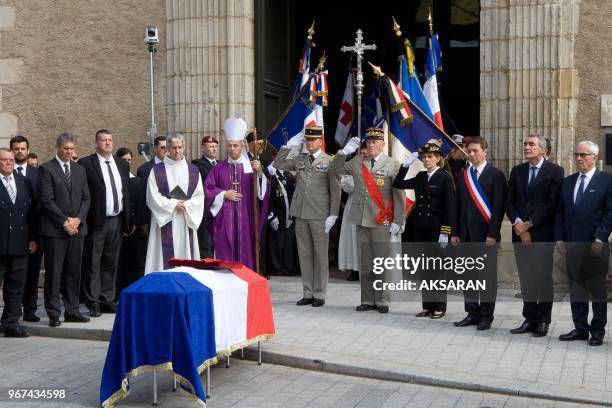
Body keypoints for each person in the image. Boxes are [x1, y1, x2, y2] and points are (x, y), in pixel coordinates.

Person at [329, 128, 406, 313]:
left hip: (381, 220)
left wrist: (398, 220)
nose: (371, 145)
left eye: (375, 143)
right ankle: (367, 299)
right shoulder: (357, 161)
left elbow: (399, 194)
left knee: (381, 262)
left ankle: (382, 300)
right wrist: (343, 153)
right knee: (365, 262)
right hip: (362, 218)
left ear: (382, 145)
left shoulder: (392, 164)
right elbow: (334, 169)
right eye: (369, 143)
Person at [273, 126, 341, 307]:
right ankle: (307, 292)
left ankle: (320, 293)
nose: (309, 143)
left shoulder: (329, 161)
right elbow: (278, 164)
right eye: (307, 140)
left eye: (313, 140)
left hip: (320, 214)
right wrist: (287, 146)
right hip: (301, 211)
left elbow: (336, 190)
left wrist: (333, 214)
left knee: (320, 254)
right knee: (304, 254)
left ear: (320, 141)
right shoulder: (300, 159)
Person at [555, 141, 612, 346]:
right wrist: (559, 238)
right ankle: (580, 328)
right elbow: (560, 212)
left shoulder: (606, 181)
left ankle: (597, 331)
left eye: (584, 155)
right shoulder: (568, 181)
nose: (579, 158)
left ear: (594, 157)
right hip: (571, 244)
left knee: (597, 291)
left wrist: (600, 237)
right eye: (576, 154)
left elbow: (609, 213)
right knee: (577, 289)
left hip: (595, 245)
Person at [506, 134, 564, 337]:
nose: (527, 147)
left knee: (542, 278)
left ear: (543, 150)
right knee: (526, 278)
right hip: (519, 232)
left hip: (541, 233)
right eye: (525, 144)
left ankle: (543, 320)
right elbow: (509, 202)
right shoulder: (517, 171)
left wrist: (528, 226)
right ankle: (529, 318)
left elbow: (551, 204)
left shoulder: (555, 172)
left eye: (532, 144)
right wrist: (519, 225)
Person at [393, 142, 457, 319]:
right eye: (424, 157)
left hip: (437, 228)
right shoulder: (421, 176)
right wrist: (405, 166)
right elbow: (398, 184)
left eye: (430, 157)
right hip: (420, 227)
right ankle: (427, 306)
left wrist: (445, 231)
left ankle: (439, 307)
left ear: (438, 159)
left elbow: (449, 207)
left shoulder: (444, 178)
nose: (426, 160)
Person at [451, 136, 507, 331]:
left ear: (485, 151)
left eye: (476, 151)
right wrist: (455, 232)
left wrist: (493, 233)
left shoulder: (496, 175)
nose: (472, 154)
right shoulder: (462, 175)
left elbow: (499, 208)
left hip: (486, 236)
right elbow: (457, 206)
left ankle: (486, 315)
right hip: (465, 235)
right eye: (469, 151)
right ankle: (472, 312)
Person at [204, 117, 270, 271]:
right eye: (229, 146)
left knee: (245, 258)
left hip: (246, 223)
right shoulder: (218, 168)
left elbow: (262, 194)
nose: (232, 149)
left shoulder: (250, 168)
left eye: (235, 145)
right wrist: (223, 194)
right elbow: (208, 190)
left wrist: (259, 172)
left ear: (242, 146)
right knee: (224, 259)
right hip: (223, 223)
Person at [39, 132, 91, 327]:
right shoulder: (46, 169)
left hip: (77, 230)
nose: (69, 152)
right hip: (55, 231)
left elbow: (86, 198)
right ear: (58, 148)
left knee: (73, 272)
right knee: (54, 272)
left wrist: (77, 220)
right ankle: (53, 313)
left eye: (71, 148)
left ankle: (72, 310)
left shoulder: (79, 170)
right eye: (65, 148)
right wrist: (65, 222)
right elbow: (47, 200)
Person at [79, 130, 131, 316]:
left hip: (116, 220)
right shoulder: (86, 164)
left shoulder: (121, 164)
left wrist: (128, 220)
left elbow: (126, 192)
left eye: (110, 140)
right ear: (96, 144)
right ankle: (92, 301)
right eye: (103, 140)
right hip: (96, 221)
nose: (108, 143)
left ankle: (107, 298)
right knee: (93, 262)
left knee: (111, 261)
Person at [145, 134, 205, 273]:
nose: (177, 151)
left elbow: (199, 195)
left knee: (186, 255)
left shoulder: (194, 170)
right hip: (165, 219)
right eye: (173, 148)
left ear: (184, 147)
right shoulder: (157, 170)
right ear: (168, 149)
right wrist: (173, 205)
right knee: (163, 260)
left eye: (180, 147)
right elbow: (152, 196)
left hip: (185, 218)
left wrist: (186, 206)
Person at [0, 148, 37, 337]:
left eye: (11, 160)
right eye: (4, 160)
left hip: (20, 243)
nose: (8, 163)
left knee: (16, 288)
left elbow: (31, 213)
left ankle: (11, 323)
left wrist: (32, 238)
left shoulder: (24, 182)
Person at [10, 135, 43, 322]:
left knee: (32, 273)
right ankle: (13, 311)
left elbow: (39, 206)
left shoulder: (37, 173)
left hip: (32, 232)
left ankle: (30, 309)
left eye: (23, 148)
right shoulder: (5, 171)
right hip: (10, 233)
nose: (20, 151)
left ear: (28, 150)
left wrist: (35, 237)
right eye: (16, 148)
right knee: (13, 275)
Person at [115, 147, 148, 296]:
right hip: (117, 228)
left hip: (134, 229)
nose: (127, 162)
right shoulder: (115, 179)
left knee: (133, 261)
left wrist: (135, 224)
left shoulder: (138, 181)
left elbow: (140, 204)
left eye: (129, 160)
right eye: (124, 160)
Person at [338, 144, 368, 281]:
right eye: (361, 153)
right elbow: (347, 187)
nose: (364, 156)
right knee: (352, 237)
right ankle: (354, 269)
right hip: (353, 203)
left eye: (366, 153)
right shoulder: (351, 167)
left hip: (370, 205)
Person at [265, 162, 299, 276]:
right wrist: (271, 215)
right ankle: (277, 267)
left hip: (288, 215)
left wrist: (292, 214)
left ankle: (287, 266)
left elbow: (294, 196)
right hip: (276, 215)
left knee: (288, 242)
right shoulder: (271, 177)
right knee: (276, 243)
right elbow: (267, 198)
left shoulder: (289, 176)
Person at [192, 135, 219, 258]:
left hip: (220, 208)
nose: (214, 149)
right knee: (206, 242)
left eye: (215, 146)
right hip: (206, 208)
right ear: (203, 149)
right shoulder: (197, 165)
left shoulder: (220, 164)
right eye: (210, 146)